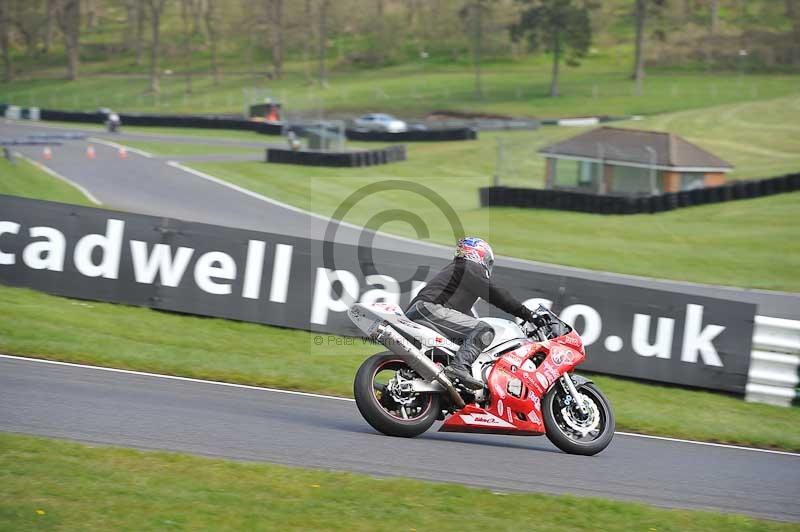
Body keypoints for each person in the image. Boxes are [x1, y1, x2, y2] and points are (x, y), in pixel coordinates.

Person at [405, 237, 538, 390]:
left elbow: (468, 318)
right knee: (484, 330)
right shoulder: (469, 266)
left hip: (422, 311)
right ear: (480, 255)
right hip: (430, 309)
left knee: (469, 337)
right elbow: (495, 294)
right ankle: (458, 368)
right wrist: (527, 314)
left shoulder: (458, 271)